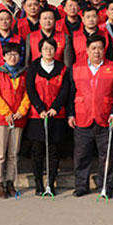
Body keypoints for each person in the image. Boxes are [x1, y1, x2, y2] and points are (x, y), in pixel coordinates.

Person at [67, 35, 113, 197]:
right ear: (87, 50)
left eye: (100, 48)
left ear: (104, 50)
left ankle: (106, 186)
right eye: (93, 48)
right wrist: (70, 114)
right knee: (81, 155)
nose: (96, 52)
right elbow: (70, 93)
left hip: (106, 117)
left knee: (107, 156)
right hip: (82, 117)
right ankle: (81, 186)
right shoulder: (76, 68)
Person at [26, 37, 69, 195]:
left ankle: (51, 183)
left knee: (53, 151)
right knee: (37, 151)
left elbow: (65, 90)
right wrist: (39, 108)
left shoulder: (62, 68)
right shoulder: (33, 67)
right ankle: (39, 184)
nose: (48, 51)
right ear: (40, 50)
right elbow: (30, 89)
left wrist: (55, 107)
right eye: (45, 48)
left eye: (51, 48)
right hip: (37, 115)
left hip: (56, 115)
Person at [0, 43, 30, 199]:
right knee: (0, 153)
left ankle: (10, 181)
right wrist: (6, 112)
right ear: (4, 57)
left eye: (16, 54)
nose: (13, 57)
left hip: (18, 118)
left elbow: (27, 94)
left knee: (13, 153)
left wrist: (21, 111)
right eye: (9, 54)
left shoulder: (24, 74)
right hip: (1, 119)